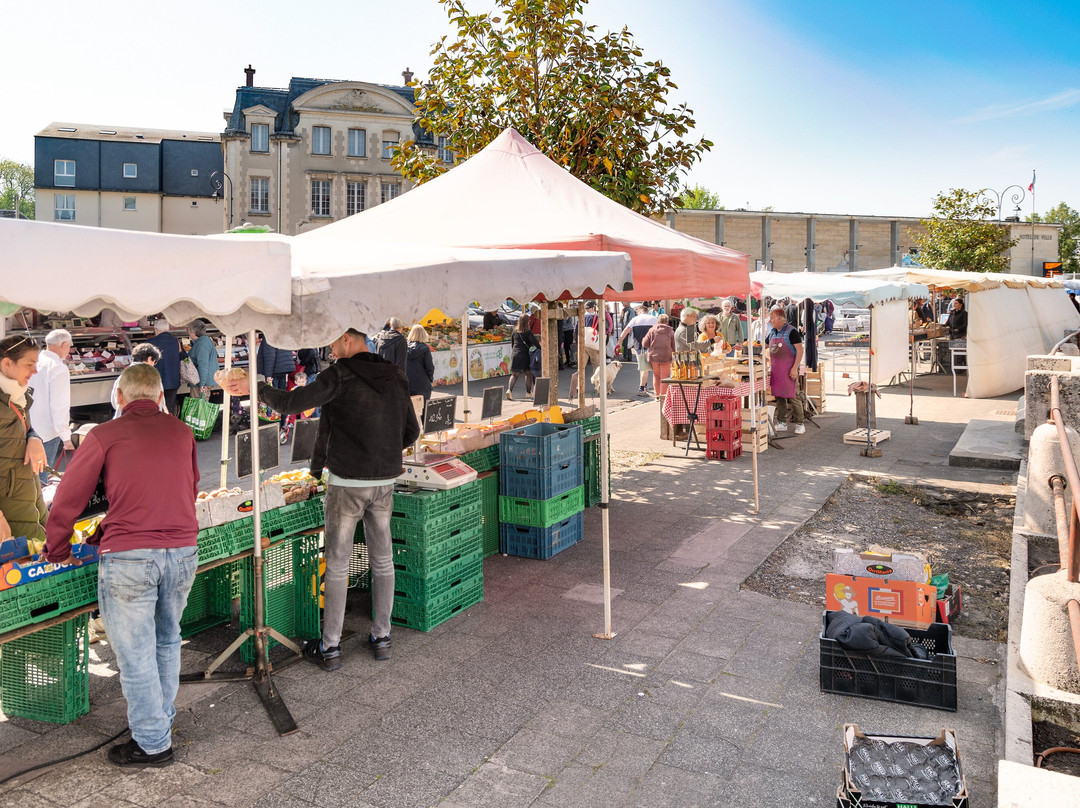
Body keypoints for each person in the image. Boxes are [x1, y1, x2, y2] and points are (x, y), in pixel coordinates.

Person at [223, 329, 419, 669]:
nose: (330, 348)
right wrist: (383, 452)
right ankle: (382, 636)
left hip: (346, 483)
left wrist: (256, 387)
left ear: (347, 338)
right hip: (385, 481)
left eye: (332, 341)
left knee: (338, 563)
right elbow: (412, 431)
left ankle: (330, 647)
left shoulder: (340, 374)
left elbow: (289, 404)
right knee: (383, 560)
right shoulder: (396, 375)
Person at [44, 363, 198, 768]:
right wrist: (107, 528)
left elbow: (67, 498)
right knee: (167, 639)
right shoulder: (182, 432)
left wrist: (57, 548)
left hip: (131, 557)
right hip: (183, 550)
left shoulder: (103, 435)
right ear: (160, 397)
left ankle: (153, 743)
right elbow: (188, 487)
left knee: (136, 654)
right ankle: (160, 722)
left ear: (119, 397)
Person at [0, 335, 48, 543]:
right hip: (9, 513)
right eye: (29, 364)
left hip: (29, 497)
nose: (35, 371)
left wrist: (34, 437)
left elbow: (23, 430)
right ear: (7, 363)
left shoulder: (18, 397)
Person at [28, 328, 73, 481]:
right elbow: (59, 405)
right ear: (63, 344)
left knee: (28, 476)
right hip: (46, 431)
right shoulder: (58, 367)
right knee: (41, 476)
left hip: (27, 427)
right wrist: (66, 437)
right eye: (69, 346)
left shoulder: (33, 361)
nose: (69, 350)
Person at [766, 306, 805, 435]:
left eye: (772, 318)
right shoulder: (772, 332)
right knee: (779, 396)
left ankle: (800, 423)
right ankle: (782, 422)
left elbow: (800, 351)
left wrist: (794, 368)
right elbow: (763, 345)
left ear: (780, 319)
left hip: (789, 369)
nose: (770, 320)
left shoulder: (792, 331)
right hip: (776, 370)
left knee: (794, 396)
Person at [111, 343, 165, 417]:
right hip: (147, 419)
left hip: (123, 418)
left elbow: (114, 402)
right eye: (155, 362)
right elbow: (160, 403)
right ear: (149, 358)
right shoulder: (152, 377)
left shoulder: (122, 377)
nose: (154, 365)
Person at [618, 304, 658, 396]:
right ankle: (642, 388)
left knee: (642, 367)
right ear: (647, 311)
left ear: (639, 312)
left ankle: (643, 386)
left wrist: (619, 342)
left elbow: (625, 331)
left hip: (638, 347)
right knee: (645, 368)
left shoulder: (635, 319)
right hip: (651, 346)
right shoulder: (654, 319)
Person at [147, 319, 181, 415]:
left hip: (156, 381)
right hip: (173, 380)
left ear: (156, 329)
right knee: (169, 408)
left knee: (156, 408)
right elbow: (183, 357)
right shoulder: (176, 341)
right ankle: (169, 423)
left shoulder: (150, 342)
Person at [641, 314, 676, 397]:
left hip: (654, 357)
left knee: (656, 376)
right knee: (665, 377)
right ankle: (663, 396)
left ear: (658, 321)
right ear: (667, 322)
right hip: (666, 357)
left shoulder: (651, 330)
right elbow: (674, 346)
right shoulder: (670, 331)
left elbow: (645, 344)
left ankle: (657, 395)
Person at [507, 314, 540, 400]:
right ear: (527, 322)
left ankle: (509, 390)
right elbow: (535, 343)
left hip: (515, 354)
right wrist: (540, 348)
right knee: (528, 374)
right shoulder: (528, 332)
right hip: (525, 355)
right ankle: (528, 392)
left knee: (514, 375)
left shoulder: (514, 331)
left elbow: (512, 344)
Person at [185, 321, 217, 399]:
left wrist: (202, 384)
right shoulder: (203, 341)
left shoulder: (202, 344)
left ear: (194, 332)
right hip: (202, 380)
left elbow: (203, 365)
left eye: (189, 330)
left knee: (198, 405)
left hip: (201, 382)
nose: (187, 331)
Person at [406, 324, 435, 401]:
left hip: (408, 381)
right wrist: (430, 379)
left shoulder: (404, 347)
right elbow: (429, 367)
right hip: (422, 382)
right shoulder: (425, 348)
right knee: (423, 405)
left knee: (410, 406)